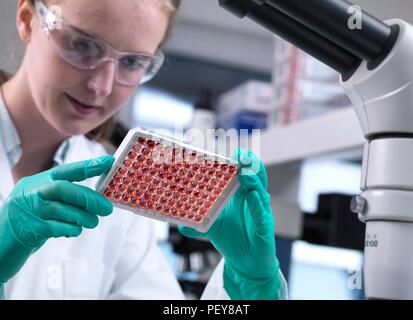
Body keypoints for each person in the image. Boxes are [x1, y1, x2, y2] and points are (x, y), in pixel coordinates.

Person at [0, 0, 287, 299]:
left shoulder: (117, 196)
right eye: (83, 45)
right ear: (26, 19)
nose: (102, 86)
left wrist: (248, 285)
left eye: (132, 62)